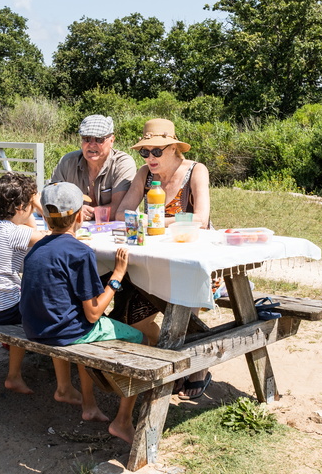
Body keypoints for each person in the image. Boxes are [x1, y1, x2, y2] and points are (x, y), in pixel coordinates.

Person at [20, 182, 145, 444]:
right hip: (67, 333)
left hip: (36, 329)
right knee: (140, 339)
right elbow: (93, 314)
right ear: (79, 216)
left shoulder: (36, 249)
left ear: (44, 216)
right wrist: (118, 276)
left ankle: (89, 405)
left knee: (79, 325)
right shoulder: (80, 252)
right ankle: (122, 421)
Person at [116, 118, 213, 399]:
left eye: (156, 151)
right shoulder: (144, 174)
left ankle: (196, 369)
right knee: (133, 318)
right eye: (145, 152)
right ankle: (174, 358)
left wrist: (155, 221)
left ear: (173, 149)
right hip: (155, 256)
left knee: (186, 313)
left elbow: (201, 220)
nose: (150, 157)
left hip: (193, 257)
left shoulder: (196, 170)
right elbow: (123, 213)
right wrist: (154, 222)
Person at [0, 172, 47, 395]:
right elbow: (55, 235)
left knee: (25, 298)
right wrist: (40, 205)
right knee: (46, 305)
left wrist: (29, 203)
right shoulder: (15, 233)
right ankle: (15, 375)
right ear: (22, 207)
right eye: (30, 204)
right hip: (3, 309)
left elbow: (31, 230)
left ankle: (14, 374)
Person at [51, 114, 136, 221]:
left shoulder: (123, 163)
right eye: (86, 139)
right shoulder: (68, 162)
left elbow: (119, 209)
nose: (91, 145)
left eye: (99, 139)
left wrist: (73, 212)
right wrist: (76, 211)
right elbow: (49, 200)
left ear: (112, 140)